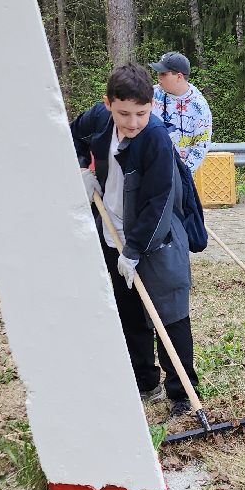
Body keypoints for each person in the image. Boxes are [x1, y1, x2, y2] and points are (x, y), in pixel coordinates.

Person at [71, 63, 199, 416]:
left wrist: (134, 250)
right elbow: (70, 135)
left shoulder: (155, 138)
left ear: (151, 105)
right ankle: (145, 383)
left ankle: (182, 393)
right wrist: (82, 168)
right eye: (124, 113)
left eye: (141, 113)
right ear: (108, 104)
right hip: (111, 232)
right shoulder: (98, 119)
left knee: (169, 313)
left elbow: (159, 202)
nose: (132, 122)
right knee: (129, 313)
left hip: (157, 237)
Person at [148, 51, 213, 172]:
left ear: (179, 77)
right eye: (158, 72)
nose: (159, 77)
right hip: (149, 168)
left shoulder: (199, 106)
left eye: (163, 73)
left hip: (179, 173)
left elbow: (201, 144)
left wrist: (184, 173)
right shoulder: (150, 94)